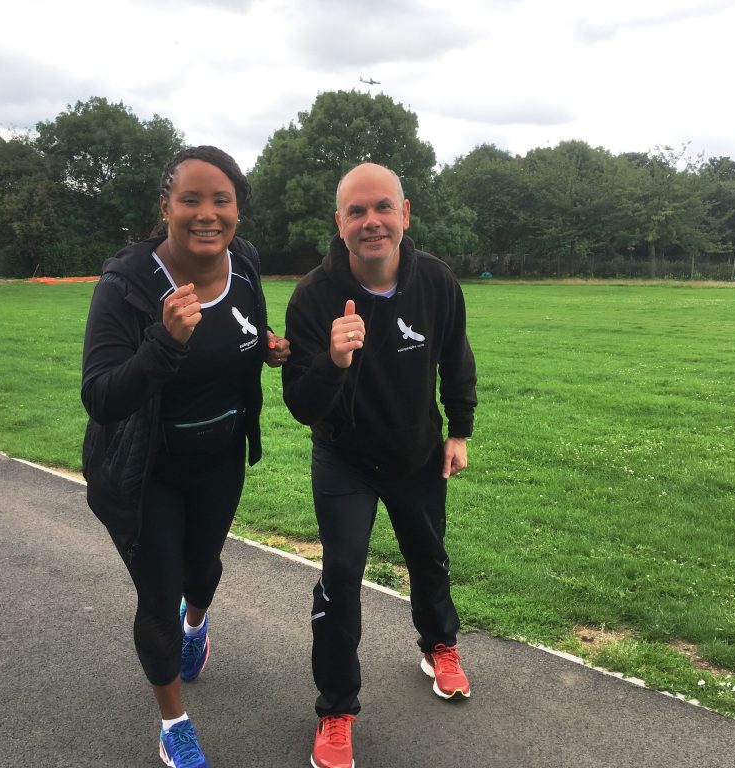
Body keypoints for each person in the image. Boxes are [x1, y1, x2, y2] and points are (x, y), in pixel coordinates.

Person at [80, 145, 290, 768]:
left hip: (220, 457)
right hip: (148, 472)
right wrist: (163, 343)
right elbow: (101, 395)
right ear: (166, 206)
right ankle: (174, 721)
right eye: (191, 199)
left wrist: (269, 350)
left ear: (237, 212)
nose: (207, 213)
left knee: (204, 574)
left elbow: (244, 338)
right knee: (159, 593)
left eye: (221, 200)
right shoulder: (127, 286)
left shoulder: (245, 266)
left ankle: (197, 622)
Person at [281, 162, 478, 768]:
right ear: (339, 224)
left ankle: (439, 646)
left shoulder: (437, 282)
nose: (372, 222)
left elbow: (456, 357)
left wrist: (460, 430)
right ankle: (336, 710)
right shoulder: (314, 296)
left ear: (405, 213)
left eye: (383, 208)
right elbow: (298, 403)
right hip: (343, 459)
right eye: (357, 212)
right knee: (341, 577)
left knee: (429, 556)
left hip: (417, 452)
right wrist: (333, 362)